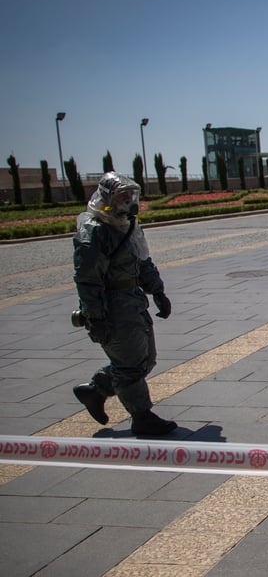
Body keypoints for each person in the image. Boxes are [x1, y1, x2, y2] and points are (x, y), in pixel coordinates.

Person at [72, 172, 177, 436]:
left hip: (132, 300)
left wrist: (157, 291)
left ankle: (96, 390)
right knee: (130, 364)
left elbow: (143, 260)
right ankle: (142, 417)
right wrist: (96, 318)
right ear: (107, 199)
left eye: (131, 196)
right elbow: (88, 280)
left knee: (145, 359)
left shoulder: (126, 225)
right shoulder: (95, 231)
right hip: (112, 305)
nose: (129, 202)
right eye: (122, 196)